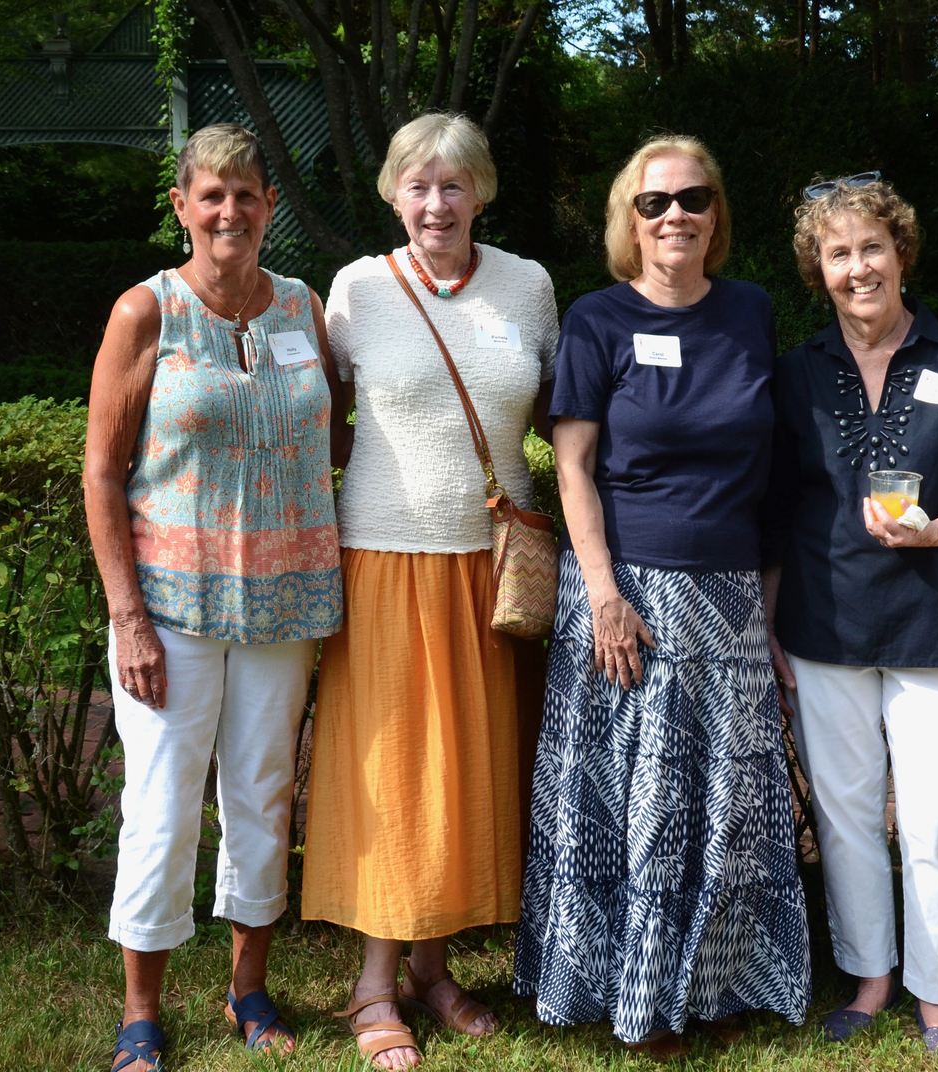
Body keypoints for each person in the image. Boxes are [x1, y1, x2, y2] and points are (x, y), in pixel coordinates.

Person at [512, 135, 811, 1056]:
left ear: (716, 213)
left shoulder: (750, 312)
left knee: (726, 802)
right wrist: (601, 594)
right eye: (653, 202)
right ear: (627, 221)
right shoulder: (598, 319)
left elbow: (769, 477)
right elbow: (572, 470)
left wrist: (764, 614)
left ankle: (716, 978)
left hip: (729, 597)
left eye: (692, 198)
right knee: (633, 801)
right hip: (629, 592)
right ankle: (629, 991)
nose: (673, 214)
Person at [300, 112, 558, 1071]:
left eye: (453, 185)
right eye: (418, 185)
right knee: (391, 774)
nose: (435, 203)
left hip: (492, 569)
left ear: (482, 192)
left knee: (465, 773)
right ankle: (375, 983)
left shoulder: (529, 287)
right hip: (384, 556)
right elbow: (319, 423)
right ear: (393, 195)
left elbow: (567, 421)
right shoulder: (360, 288)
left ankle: (433, 971)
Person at [83, 123, 343, 1072]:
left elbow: (333, 435)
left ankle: (248, 989)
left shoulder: (304, 308)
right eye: (212, 194)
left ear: (269, 206)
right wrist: (128, 619)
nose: (229, 211)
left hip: (284, 608)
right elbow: (103, 475)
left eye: (247, 194)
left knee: (264, 799)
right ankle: (142, 1014)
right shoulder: (144, 314)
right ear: (182, 207)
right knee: (161, 806)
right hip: (172, 613)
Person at [764, 175, 938, 1063]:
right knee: (843, 807)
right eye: (838, 254)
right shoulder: (797, 373)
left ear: (901, 253)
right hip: (824, 618)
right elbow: (777, 499)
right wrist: (767, 612)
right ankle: (870, 973)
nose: (858, 267)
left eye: (872, 247)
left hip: (934, 618)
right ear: (817, 270)